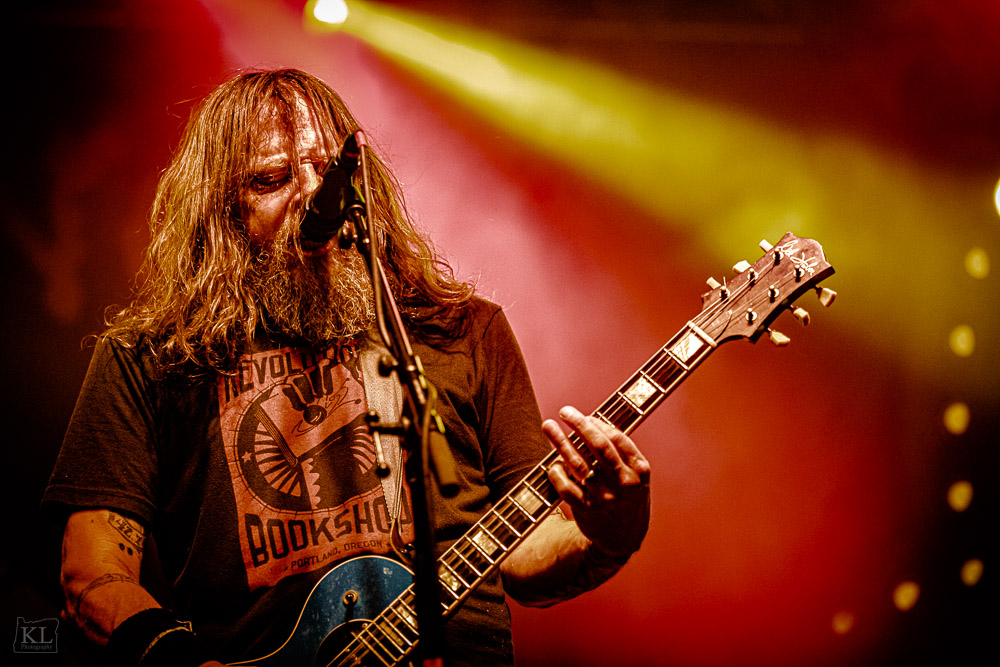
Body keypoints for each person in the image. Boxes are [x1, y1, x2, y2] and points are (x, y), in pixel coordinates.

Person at [42, 68, 650, 667]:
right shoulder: (154, 358)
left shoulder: (465, 331)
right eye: (272, 178)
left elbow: (521, 556)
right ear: (222, 212)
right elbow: (92, 576)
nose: (311, 194)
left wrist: (609, 535)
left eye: (327, 171)